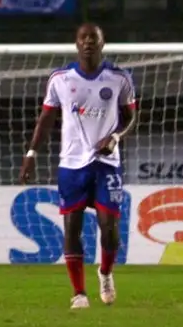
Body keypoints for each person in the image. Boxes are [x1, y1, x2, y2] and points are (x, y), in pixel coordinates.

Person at [18, 23, 137, 309]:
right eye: (83, 38)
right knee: (72, 227)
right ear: (76, 44)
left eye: (93, 38)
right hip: (72, 165)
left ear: (102, 43)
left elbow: (131, 116)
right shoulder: (60, 79)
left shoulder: (120, 78)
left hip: (107, 163)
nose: (88, 43)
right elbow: (46, 119)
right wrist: (32, 152)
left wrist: (116, 136)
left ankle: (105, 273)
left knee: (109, 230)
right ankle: (79, 293)